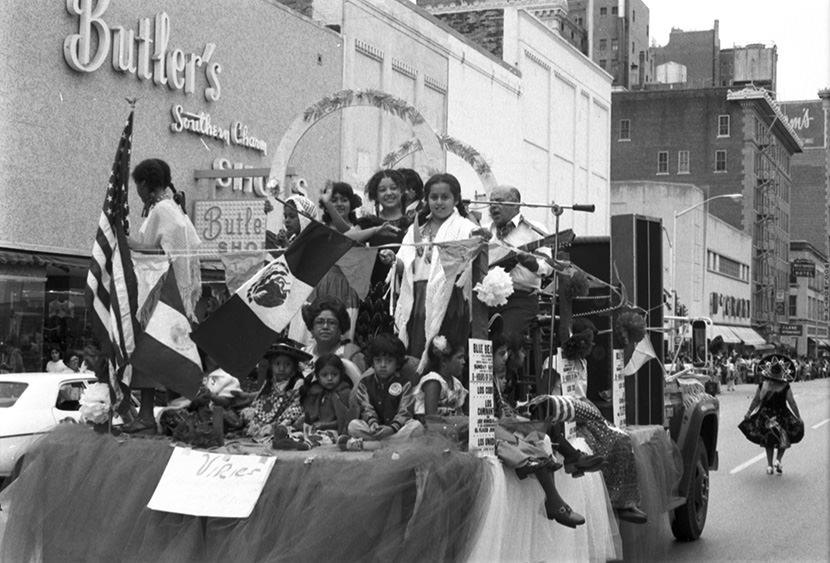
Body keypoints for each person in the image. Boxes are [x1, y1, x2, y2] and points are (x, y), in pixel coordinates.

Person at [126, 158, 202, 434]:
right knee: (156, 355)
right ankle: (156, 414)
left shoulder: (163, 210)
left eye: (138, 186)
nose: (137, 191)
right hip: (158, 292)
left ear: (145, 184)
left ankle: (149, 414)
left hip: (162, 294)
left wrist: (132, 244)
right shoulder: (170, 208)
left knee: (151, 353)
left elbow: (170, 254)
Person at [381, 173, 489, 360]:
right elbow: (404, 267)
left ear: (455, 199)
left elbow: (473, 256)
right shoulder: (417, 230)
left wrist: (479, 238)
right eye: (434, 197)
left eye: (445, 197)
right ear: (426, 199)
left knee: (446, 355)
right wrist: (393, 260)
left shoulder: (465, 227)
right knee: (417, 350)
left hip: (450, 299)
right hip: (419, 299)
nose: (439, 202)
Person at [492, 333, 587, 528]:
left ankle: (565, 468)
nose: (506, 358)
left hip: (501, 424)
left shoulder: (496, 380)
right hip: (490, 429)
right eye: (501, 354)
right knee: (535, 437)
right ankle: (555, 494)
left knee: (543, 432)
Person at [485, 186, 553, 336]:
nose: (494, 206)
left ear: (516, 204)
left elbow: (548, 266)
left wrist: (533, 264)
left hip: (520, 299)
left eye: (500, 201)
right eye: (491, 202)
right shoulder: (484, 231)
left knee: (503, 337)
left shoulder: (535, 230)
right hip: (485, 298)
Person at [348, 333, 420, 443]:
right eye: (378, 360)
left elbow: (405, 411)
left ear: (397, 363)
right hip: (375, 428)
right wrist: (373, 423)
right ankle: (389, 442)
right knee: (353, 426)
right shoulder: (365, 383)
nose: (382, 365)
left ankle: (380, 443)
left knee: (416, 427)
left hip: (396, 429)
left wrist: (392, 428)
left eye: (389, 361)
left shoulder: (405, 383)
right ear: (372, 362)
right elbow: (366, 408)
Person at [740, 354, 804, 475]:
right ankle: (778, 460)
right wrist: (798, 417)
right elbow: (792, 402)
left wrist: (749, 412)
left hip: (766, 417)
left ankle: (769, 466)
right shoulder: (785, 386)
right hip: (782, 416)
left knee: (768, 441)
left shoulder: (763, 385)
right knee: (784, 439)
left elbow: (756, 400)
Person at [316, 182, 363, 338]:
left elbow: (347, 234)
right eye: (334, 200)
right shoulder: (320, 229)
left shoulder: (359, 229)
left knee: (342, 338)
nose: (339, 204)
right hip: (321, 286)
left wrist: (327, 203)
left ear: (352, 203)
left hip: (346, 288)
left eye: (344, 199)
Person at [243, 339, 311, 448]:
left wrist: (280, 423)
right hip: (266, 419)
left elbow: (296, 406)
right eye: (277, 364)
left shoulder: (298, 383)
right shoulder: (268, 383)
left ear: (294, 368)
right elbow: (259, 401)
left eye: (287, 364)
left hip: (286, 419)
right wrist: (254, 417)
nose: (281, 368)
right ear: (271, 366)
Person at [302, 296, 366, 386]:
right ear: (311, 327)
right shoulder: (303, 354)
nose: (325, 327)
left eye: (332, 322)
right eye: (319, 322)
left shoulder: (352, 356)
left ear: (341, 327)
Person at [301, 354, 355, 441]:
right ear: (317, 376)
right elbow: (308, 414)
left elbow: (346, 420)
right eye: (324, 375)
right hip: (314, 429)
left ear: (341, 374)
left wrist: (325, 425)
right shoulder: (315, 391)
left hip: (335, 432)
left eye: (334, 374)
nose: (330, 378)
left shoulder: (345, 393)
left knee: (323, 438)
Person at [412, 335, 468, 418]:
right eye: (459, 357)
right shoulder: (433, 381)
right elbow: (431, 418)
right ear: (444, 361)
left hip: (448, 427)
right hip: (427, 428)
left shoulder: (457, 384)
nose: (463, 362)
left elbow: (459, 412)